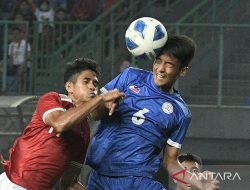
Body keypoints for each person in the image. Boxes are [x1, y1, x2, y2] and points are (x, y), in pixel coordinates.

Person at [86, 34, 220, 190]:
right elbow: (95, 114)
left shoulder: (181, 112)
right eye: (158, 61)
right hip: (99, 178)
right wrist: (103, 102)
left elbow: (170, 161)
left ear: (183, 70)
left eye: (169, 64)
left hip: (137, 182)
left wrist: (198, 182)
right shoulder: (130, 76)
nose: (161, 69)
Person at [0, 57, 124, 190]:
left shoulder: (85, 131)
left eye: (95, 83)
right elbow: (59, 123)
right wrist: (101, 98)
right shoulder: (53, 99)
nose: (92, 87)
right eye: (86, 81)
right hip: (14, 183)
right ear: (69, 86)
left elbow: (69, 183)